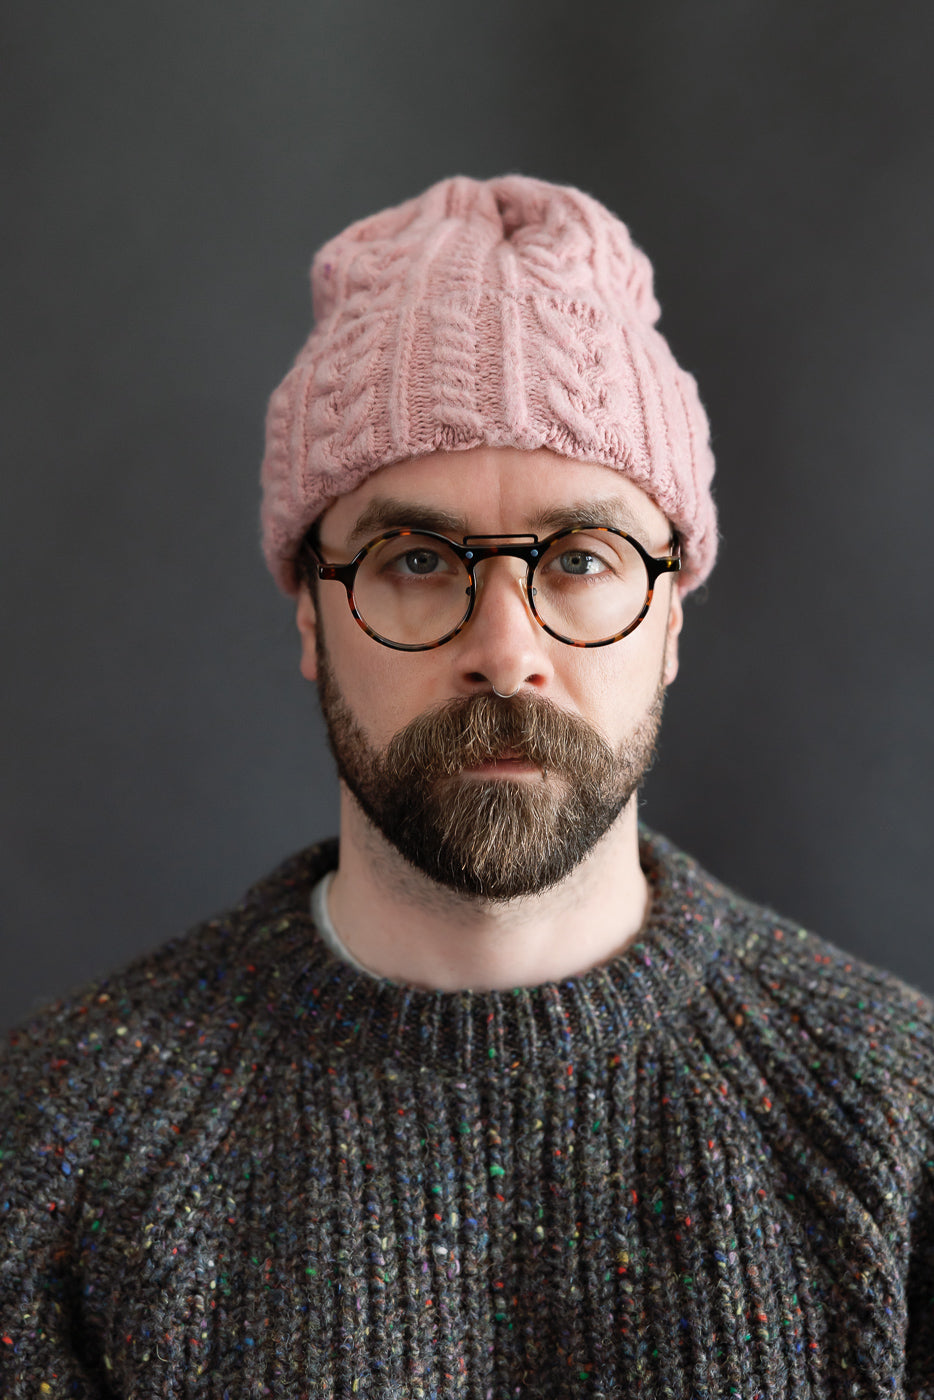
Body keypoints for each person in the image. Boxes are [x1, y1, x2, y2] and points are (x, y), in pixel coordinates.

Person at [1, 175, 932, 1399]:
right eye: (420, 559)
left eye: (583, 557)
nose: (505, 646)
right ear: (309, 616)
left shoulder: (897, 1131)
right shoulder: (53, 1148)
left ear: (670, 619)